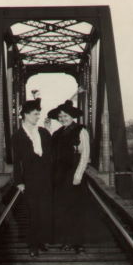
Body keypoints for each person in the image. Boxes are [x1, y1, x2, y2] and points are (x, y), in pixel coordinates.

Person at [47, 100, 90, 254]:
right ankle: (66, 240)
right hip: (59, 175)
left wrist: (78, 175)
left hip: (73, 174)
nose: (63, 118)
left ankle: (78, 242)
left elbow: (85, 155)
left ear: (72, 116)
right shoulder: (57, 133)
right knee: (62, 208)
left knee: (76, 209)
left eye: (65, 115)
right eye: (60, 116)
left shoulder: (81, 131)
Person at [12, 98, 53, 257]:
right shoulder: (17, 136)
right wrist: (19, 181)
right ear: (26, 115)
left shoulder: (42, 132)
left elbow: (50, 154)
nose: (38, 117)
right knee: (31, 213)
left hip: (45, 178)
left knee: (43, 211)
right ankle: (32, 245)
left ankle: (40, 241)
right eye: (36, 114)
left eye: (39, 114)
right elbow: (16, 161)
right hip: (29, 180)